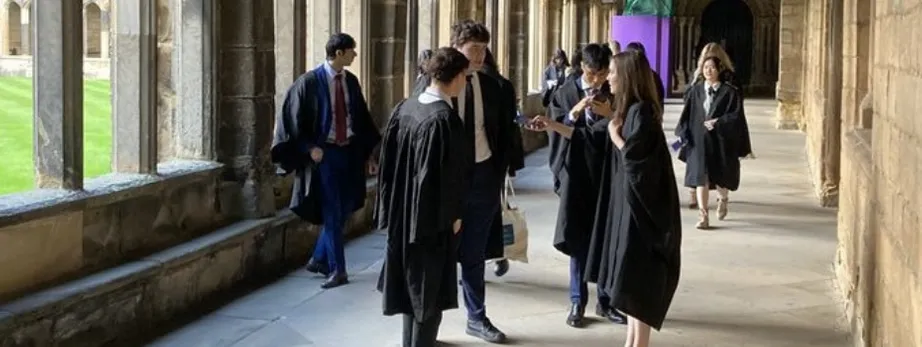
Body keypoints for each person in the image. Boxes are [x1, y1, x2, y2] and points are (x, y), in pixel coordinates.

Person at [544, 51, 679, 347]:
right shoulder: (628, 111)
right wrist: (552, 125)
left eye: (614, 73)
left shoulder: (640, 112)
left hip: (639, 214)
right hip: (626, 206)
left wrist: (617, 136)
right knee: (628, 283)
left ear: (627, 76)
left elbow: (637, 162)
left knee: (638, 281)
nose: (609, 78)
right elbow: (589, 138)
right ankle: (631, 342)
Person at [412, 20, 516, 343]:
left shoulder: (492, 86)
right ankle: (429, 326)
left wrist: (498, 172)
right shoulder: (430, 84)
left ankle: (476, 317)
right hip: (446, 184)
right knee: (439, 254)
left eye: (484, 49)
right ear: (456, 47)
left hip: (484, 177)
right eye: (473, 49)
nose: (480, 56)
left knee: (474, 253)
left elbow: (501, 131)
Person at [376, 47, 471, 347]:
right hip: (430, 224)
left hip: (402, 217)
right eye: (465, 77)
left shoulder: (405, 108)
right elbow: (448, 180)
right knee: (428, 298)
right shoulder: (444, 120)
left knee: (410, 292)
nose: (466, 83)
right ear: (454, 78)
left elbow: (387, 168)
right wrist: (454, 218)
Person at [271, 33, 381, 289]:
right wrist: (309, 148)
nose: (355, 55)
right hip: (326, 155)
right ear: (339, 53)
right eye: (351, 51)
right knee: (332, 211)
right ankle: (338, 270)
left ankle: (320, 258)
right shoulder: (309, 83)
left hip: (349, 152)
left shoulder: (351, 81)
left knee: (344, 209)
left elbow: (361, 119)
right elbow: (291, 121)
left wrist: (369, 155)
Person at [541, 43, 626, 327]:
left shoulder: (612, 93)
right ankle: (577, 301)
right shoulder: (565, 93)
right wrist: (573, 114)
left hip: (604, 174)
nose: (597, 81)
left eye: (602, 74)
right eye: (592, 74)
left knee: (604, 236)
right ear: (582, 68)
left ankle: (605, 300)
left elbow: (621, 128)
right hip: (576, 175)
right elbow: (555, 131)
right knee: (577, 239)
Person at [676, 56, 747, 229]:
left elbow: (736, 116)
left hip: (720, 142)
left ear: (719, 70)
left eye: (712, 67)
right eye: (705, 67)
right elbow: (687, 114)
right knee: (702, 177)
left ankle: (723, 198)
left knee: (721, 178)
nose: (708, 71)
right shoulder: (695, 91)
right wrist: (682, 134)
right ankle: (703, 216)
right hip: (699, 142)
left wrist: (718, 122)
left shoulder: (729, 93)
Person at [481, 48, 525, 278]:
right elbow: (512, 126)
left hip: (482, 160)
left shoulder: (489, 85)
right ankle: (499, 254)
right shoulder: (504, 84)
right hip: (497, 160)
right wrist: (512, 161)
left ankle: (477, 258)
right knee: (496, 207)